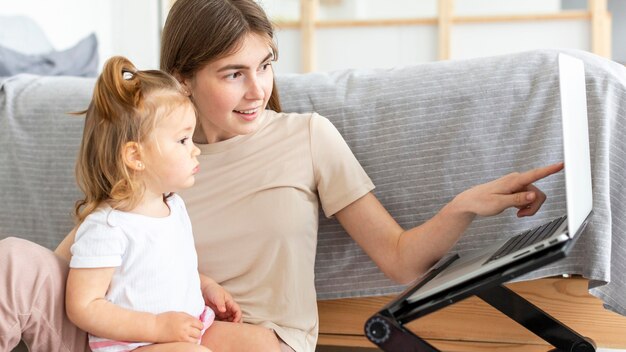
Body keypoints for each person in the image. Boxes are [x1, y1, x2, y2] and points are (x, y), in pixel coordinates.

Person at [0, 0, 563, 351]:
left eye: (266, 64)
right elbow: (80, 258)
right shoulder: (157, 155)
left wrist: (464, 205)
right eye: (234, 73)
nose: (258, 89)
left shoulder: (306, 136)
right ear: (183, 79)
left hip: (230, 339)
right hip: (120, 330)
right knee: (11, 263)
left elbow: (400, 258)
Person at [64, 55, 243, 352]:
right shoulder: (108, 227)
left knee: (260, 342)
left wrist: (205, 285)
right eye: (183, 140)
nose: (195, 150)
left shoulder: (173, 206)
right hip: (135, 344)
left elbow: (163, 268)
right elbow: (83, 306)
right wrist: (157, 326)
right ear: (135, 156)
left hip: (186, 329)